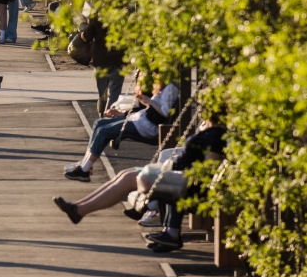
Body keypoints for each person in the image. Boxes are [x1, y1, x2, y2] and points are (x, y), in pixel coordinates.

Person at [53, 118, 227, 253]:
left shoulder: (216, 134)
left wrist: (176, 172)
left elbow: (208, 168)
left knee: (129, 179)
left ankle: (80, 210)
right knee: (125, 174)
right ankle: (78, 207)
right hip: (176, 174)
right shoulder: (210, 129)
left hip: (188, 183)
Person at [64, 79, 180, 182]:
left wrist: (149, 101)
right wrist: (141, 103)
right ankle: (85, 164)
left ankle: (84, 170)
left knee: (103, 131)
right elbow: (153, 108)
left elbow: (165, 112)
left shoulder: (171, 88)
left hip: (147, 126)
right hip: (140, 119)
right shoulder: (164, 86)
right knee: (99, 123)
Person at [81, 17, 125, 117]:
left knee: (103, 93)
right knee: (115, 92)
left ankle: (103, 115)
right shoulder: (124, 11)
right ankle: (110, 116)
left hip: (101, 59)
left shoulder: (97, 14)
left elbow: (87, 36)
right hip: (118, 58)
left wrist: (86, 26)